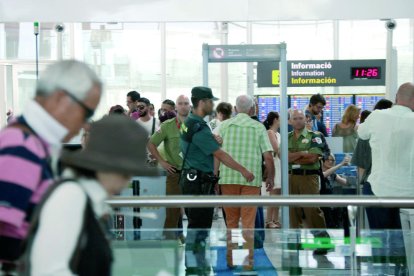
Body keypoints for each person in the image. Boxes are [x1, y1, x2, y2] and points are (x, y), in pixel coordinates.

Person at [20, 115, 157, 275]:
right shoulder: (70, 196)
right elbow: (49, 272)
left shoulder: (88, 199)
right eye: (125, 173)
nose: (126, 181)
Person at [0, 60, 102, 274]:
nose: (85, 125)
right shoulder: (22, 145)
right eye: (86, 114)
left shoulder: (35, 144)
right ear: (60, 99)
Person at [180, 86, 254, 274]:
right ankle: (196, 268)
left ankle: (195, 265)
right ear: (202, 102)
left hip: (190, 178)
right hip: (198, 183)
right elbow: (219, 154)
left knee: (196, 226)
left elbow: (196, 144)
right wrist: (243, 170)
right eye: (210, 101)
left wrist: (212, 138)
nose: (213, 104)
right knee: (199, 228)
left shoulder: (189, 122)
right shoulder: (199, 126)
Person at [358, 84, 414, 275]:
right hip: (409, 194)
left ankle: (382, 270)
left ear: (397, 97)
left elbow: (361, 132)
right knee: (406, 242)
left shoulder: (377, 116)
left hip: (378, 190)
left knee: (380, 240)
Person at [217, 95, 274, 270]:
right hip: (252, 181)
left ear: (235, 108)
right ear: (252, 109)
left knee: (231, 222)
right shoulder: (258, 127)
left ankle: (231, 259)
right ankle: (248, 263)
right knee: (248, 223)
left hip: (227, 179)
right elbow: (268, 156)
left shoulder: (224, 126)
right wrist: (270, 177)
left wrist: (215, 177)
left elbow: (216, 154)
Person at [147, 95, 191, 243]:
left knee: (194, 211)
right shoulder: (167, 126)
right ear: (176, 107)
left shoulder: (197, 125)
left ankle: (194, 242)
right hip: (174, 174)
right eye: (181, 103)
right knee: (172, 211)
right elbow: (151, 144)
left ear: (190, 106)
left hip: (193, 175)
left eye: (186, 103)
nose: (183, 106)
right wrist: (162, 162)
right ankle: (167, 242)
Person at [288, 109, 329, 254]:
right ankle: (296, 242)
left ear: (305, 120)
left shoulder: (315, 136)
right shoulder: (287, 138)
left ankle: (323, 243)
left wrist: (294, 156)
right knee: (293, 212)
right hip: (291, 177)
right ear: (290, 121)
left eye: (301, 118)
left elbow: (313, 157)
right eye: (295, 118)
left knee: (312, 210)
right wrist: (302, 153)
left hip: (309, 177)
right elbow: (283, 157)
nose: (298, 120)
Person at [352, 99, 392, 185]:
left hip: (371, 181)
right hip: (391, 182)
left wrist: (362, 185)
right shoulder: (397, 135)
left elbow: (361, 165)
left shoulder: (365, 135)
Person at [263, 111, 282, 229]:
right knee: (273, 193)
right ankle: (268, 220)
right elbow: (276, 149)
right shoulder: (270, 132)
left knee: (278, 194)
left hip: (280, 164)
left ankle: (276, 219)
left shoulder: (278, 134)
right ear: (275, 120)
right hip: (275, 164)